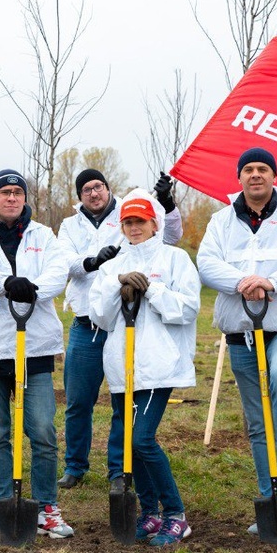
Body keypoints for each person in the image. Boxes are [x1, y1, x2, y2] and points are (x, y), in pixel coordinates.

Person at [196, 147, 277, 530]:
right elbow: (206, 264)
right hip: (241, 329)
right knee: (257, 420)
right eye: (249, 169)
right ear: (239, 178)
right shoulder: (221, 220)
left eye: (263, 169)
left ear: (274, 176)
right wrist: (241, 282)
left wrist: (271, 282)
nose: (256, 175)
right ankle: (270, 500)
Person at [0, 169, 74, 538]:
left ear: (24, 198)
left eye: (17, 193)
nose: (11, 198)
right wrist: (6, 284)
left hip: (34, 346)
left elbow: (59, 273)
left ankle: (46, 508)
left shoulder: (43, 235)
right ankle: (3, 507)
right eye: (4, 192)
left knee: (42, 430)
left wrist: (29, 290)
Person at [57, 169, 183, 490]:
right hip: (87, 323)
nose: (94, 193)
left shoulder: (129, 211)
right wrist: (93, 261)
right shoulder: (70, 226)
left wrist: (167, 203)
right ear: (79, 195)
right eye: (86, 189)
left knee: (122, 399)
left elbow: (168, 235)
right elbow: (64, 261)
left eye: (98, 186)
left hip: (124, 323)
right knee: (78, 401)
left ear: (108, 187)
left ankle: (118, 469)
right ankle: (75, 465)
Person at [89, 189, 199, 546]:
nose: (134, 227)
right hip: (123, 365)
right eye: (128, 222)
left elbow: (187, 309)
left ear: (155, 223)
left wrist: (150, 289)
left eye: (141, 221)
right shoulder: (111, 264)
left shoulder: (175, 259)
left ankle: (176, 515)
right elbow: (100, 318)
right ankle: (150, 513)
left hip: (158, 364)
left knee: (142, 439)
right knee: (130, 444)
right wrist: (115, 288)